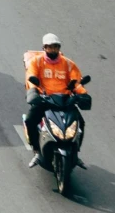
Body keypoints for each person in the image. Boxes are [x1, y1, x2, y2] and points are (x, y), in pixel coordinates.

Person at [22, 32, 88, 165]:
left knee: (81, 122)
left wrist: (82, 94)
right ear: (44, 48)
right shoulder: (37, 62)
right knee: (30, 120)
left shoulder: (68, 64)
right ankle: (36, 151)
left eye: (56, 47)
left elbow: (76, 82)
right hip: (45, 99)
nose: (53, 50)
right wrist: (34, 92)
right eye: (50, 47)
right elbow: (31, 78)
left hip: (64, 100)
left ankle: (75, 153)